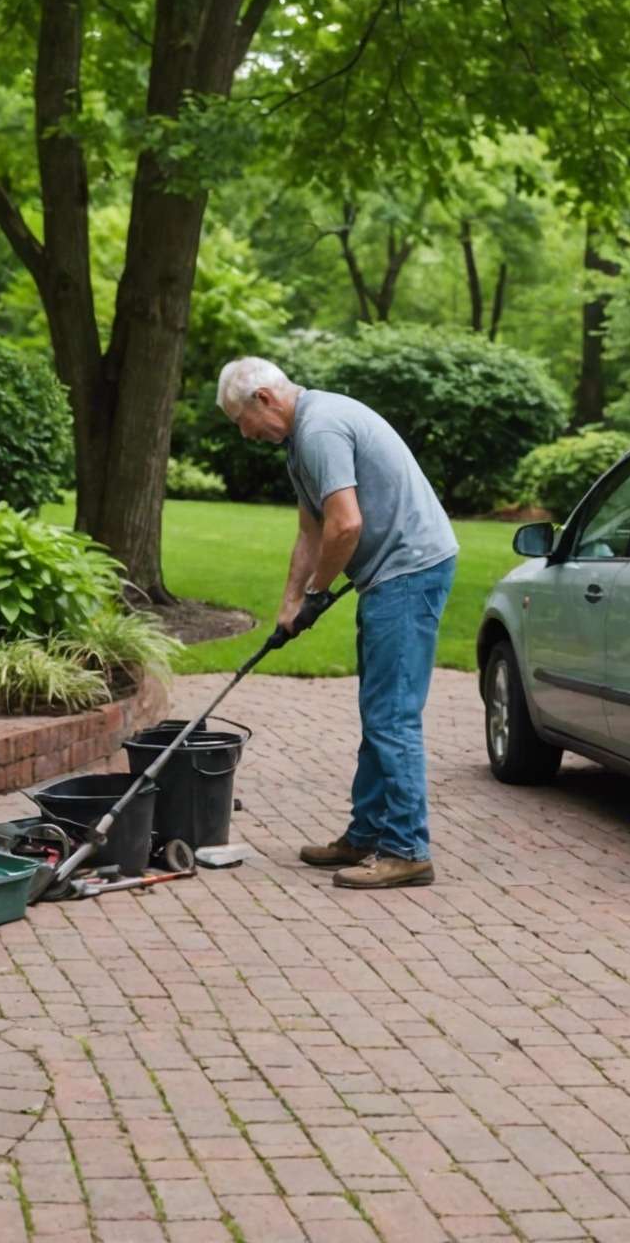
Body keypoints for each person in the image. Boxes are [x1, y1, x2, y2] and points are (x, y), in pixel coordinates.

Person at [214, 357, 457, 889]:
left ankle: (407, 849)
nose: (246, 434)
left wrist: (319, 593)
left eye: (241, 421)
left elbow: (346, 526)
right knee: (379, 707)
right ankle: (367, 833)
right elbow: (312, 530)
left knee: (392, 714)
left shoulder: (320, 428)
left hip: (410, 571)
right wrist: (291, 601)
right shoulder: (301, 442)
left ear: (264, 399)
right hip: (393, 574)